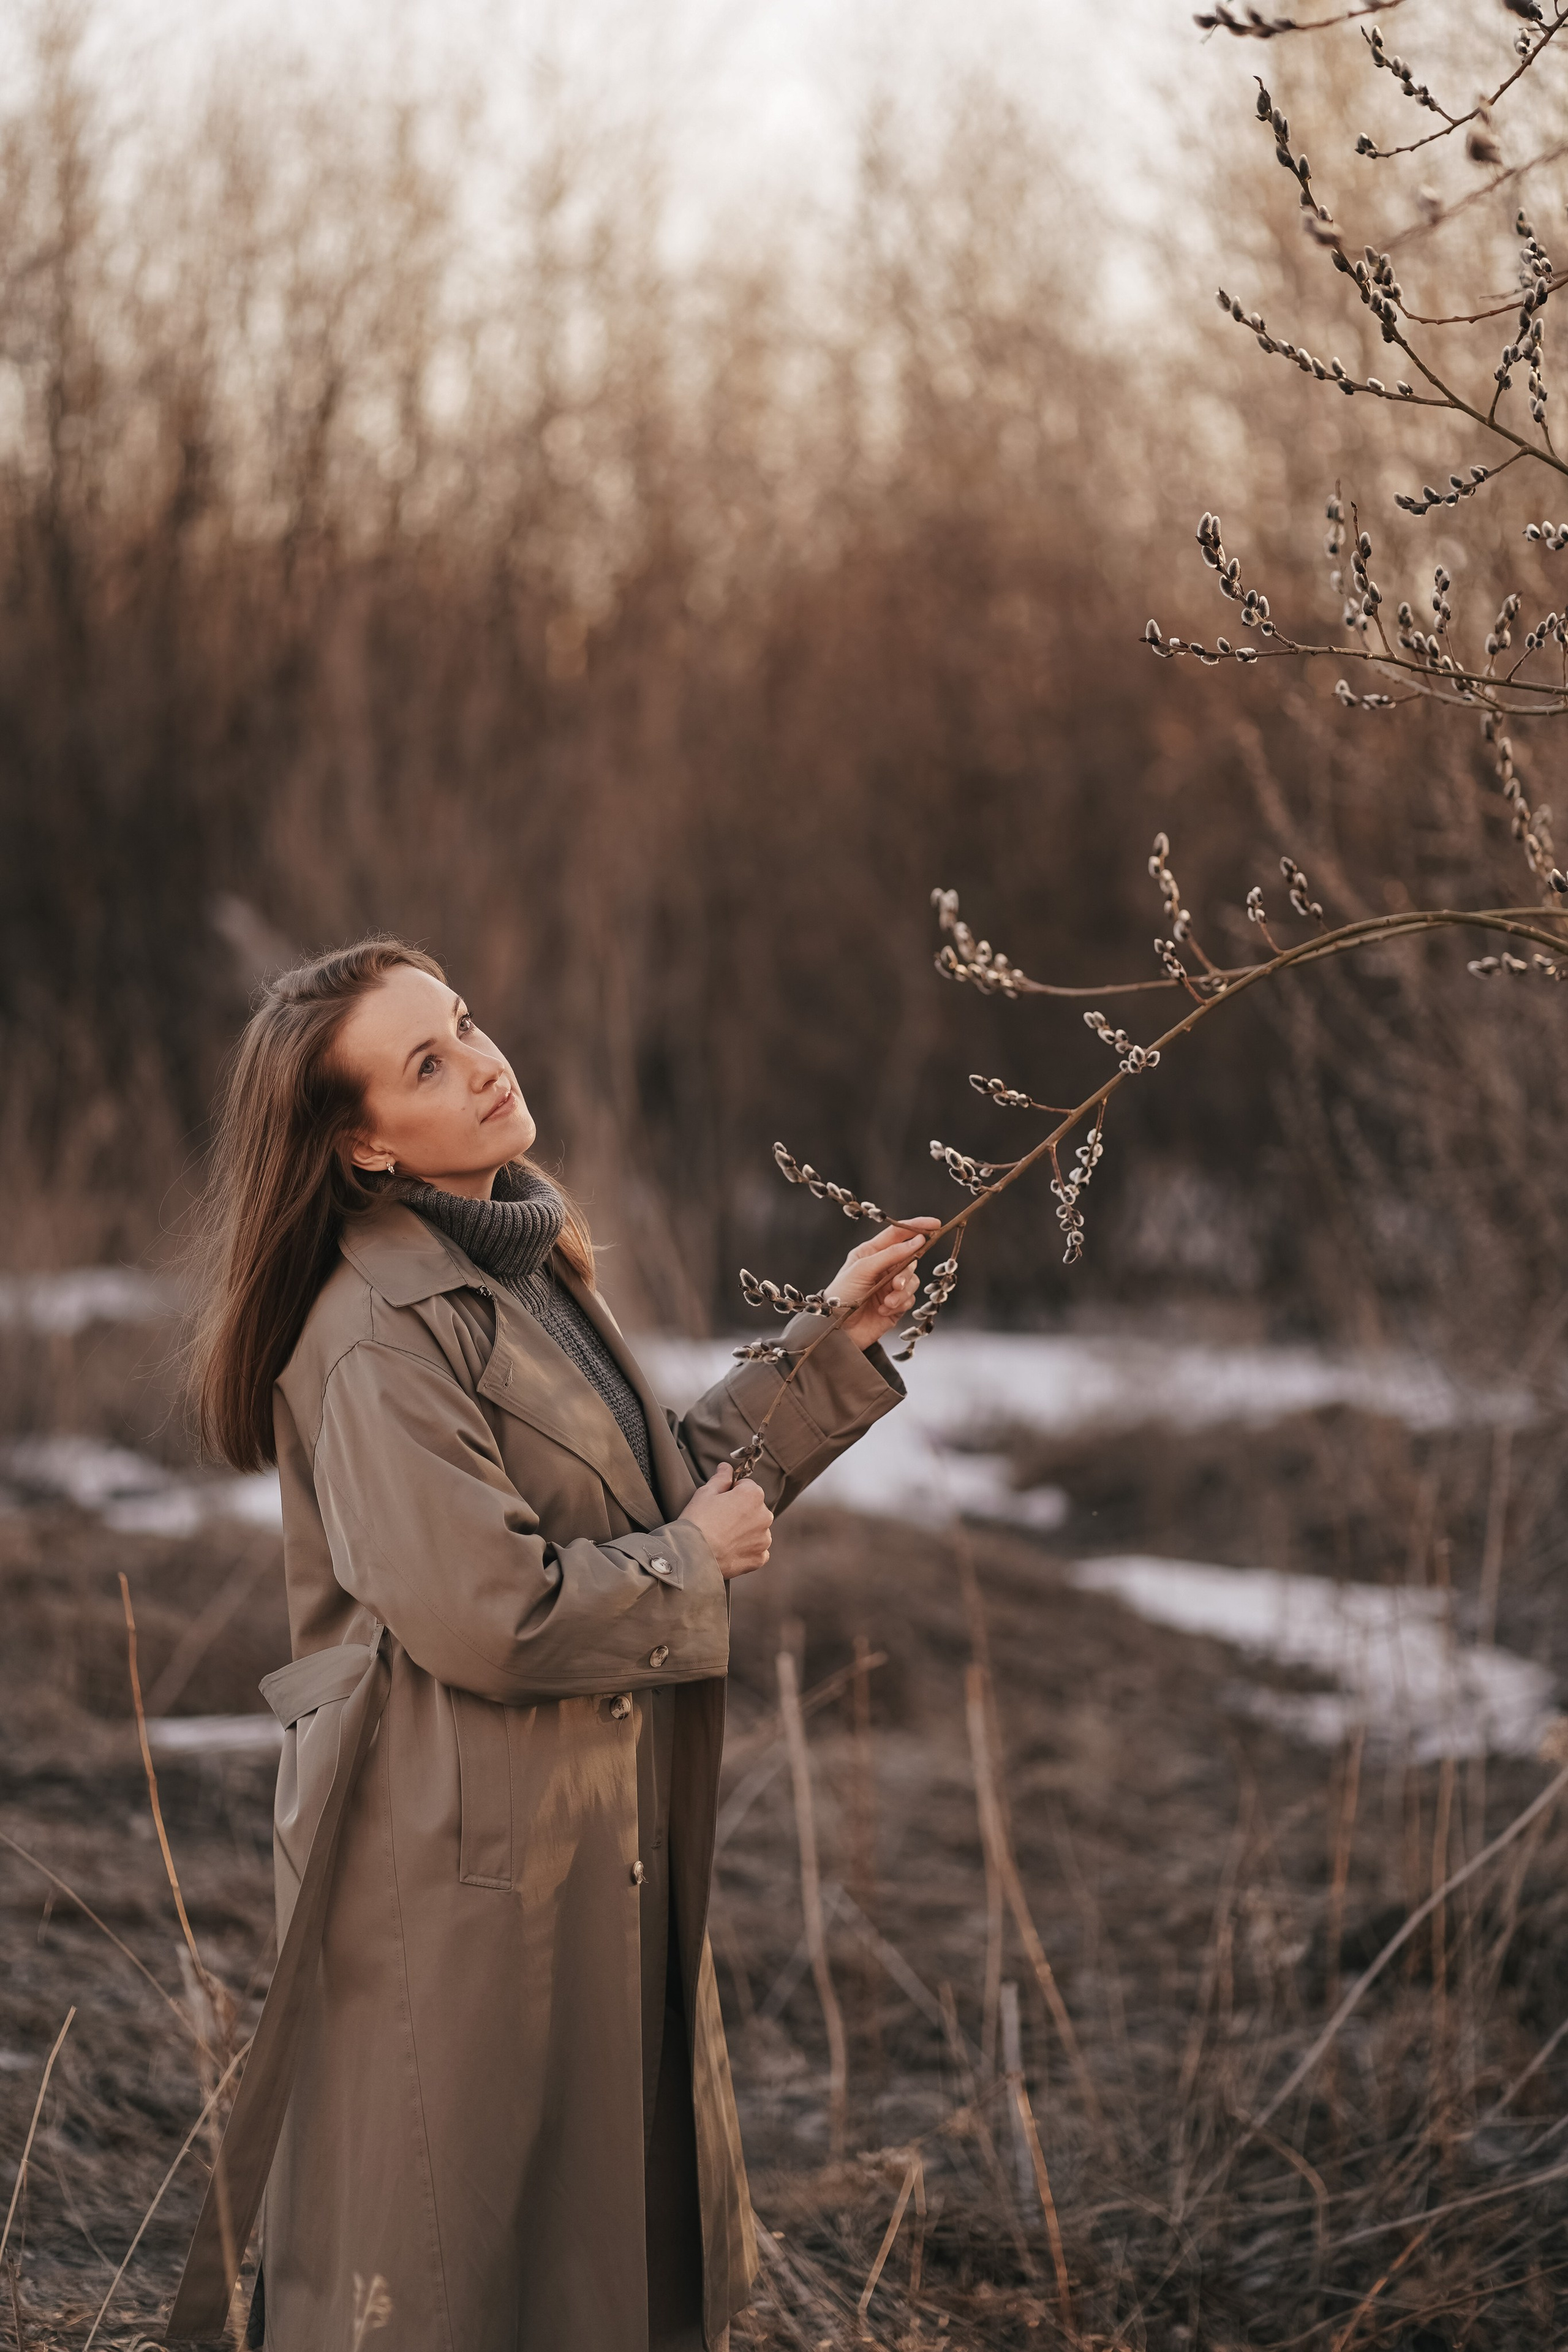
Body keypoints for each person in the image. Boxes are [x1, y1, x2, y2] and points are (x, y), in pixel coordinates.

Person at [171, 938, 933, 2352]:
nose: (480, 1062)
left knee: (582, 2264)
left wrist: (826, 1342)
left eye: (462, 1024)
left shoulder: (524, 1260)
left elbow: (649, 1494)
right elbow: (492, 1613)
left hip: (572, 1834)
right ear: (358, 1146)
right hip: (450, 1861)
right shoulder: (370, 1338)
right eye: (425, 1064)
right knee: (442, 2276)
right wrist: (687, 1564)